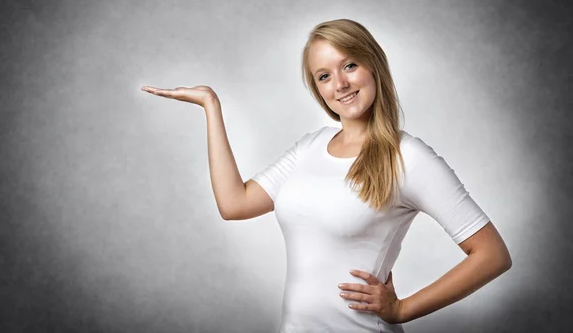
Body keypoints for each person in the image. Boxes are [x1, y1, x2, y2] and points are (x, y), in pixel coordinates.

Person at [140, 19, 512, 332]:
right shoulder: (310, 147)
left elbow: (492, 255)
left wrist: (402, 310)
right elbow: (234, 204)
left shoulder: (409, 158)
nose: (340, 83)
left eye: (350, 65)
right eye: (324, 76)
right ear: (319, 90)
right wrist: (211, 106)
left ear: (373, 66)